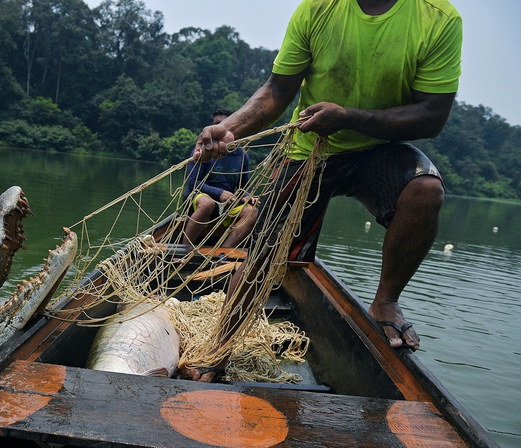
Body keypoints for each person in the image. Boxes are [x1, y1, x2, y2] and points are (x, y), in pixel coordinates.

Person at [186, 0, 462, 382]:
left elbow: (433, 114)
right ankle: (220, 347)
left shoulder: (437, 18)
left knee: (425, 190)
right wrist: (231, 128)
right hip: (310, 149)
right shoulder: (318, 9)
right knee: (264, 253)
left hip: (377, 148)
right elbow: (277, 90)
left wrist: (349, 118)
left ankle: (385, 301)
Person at [181, 109, 258, 248]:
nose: (220, 126)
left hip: (227, 204)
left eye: (224, 124)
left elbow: (245, 186)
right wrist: (219, 193)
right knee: (207, 204)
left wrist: (247, 196)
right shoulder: (202, 151)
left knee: (251, 212)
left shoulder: (241, 155)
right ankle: (183, 251)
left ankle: (222, 253)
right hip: (199, 198)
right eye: (217, 124)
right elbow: (192, 183)